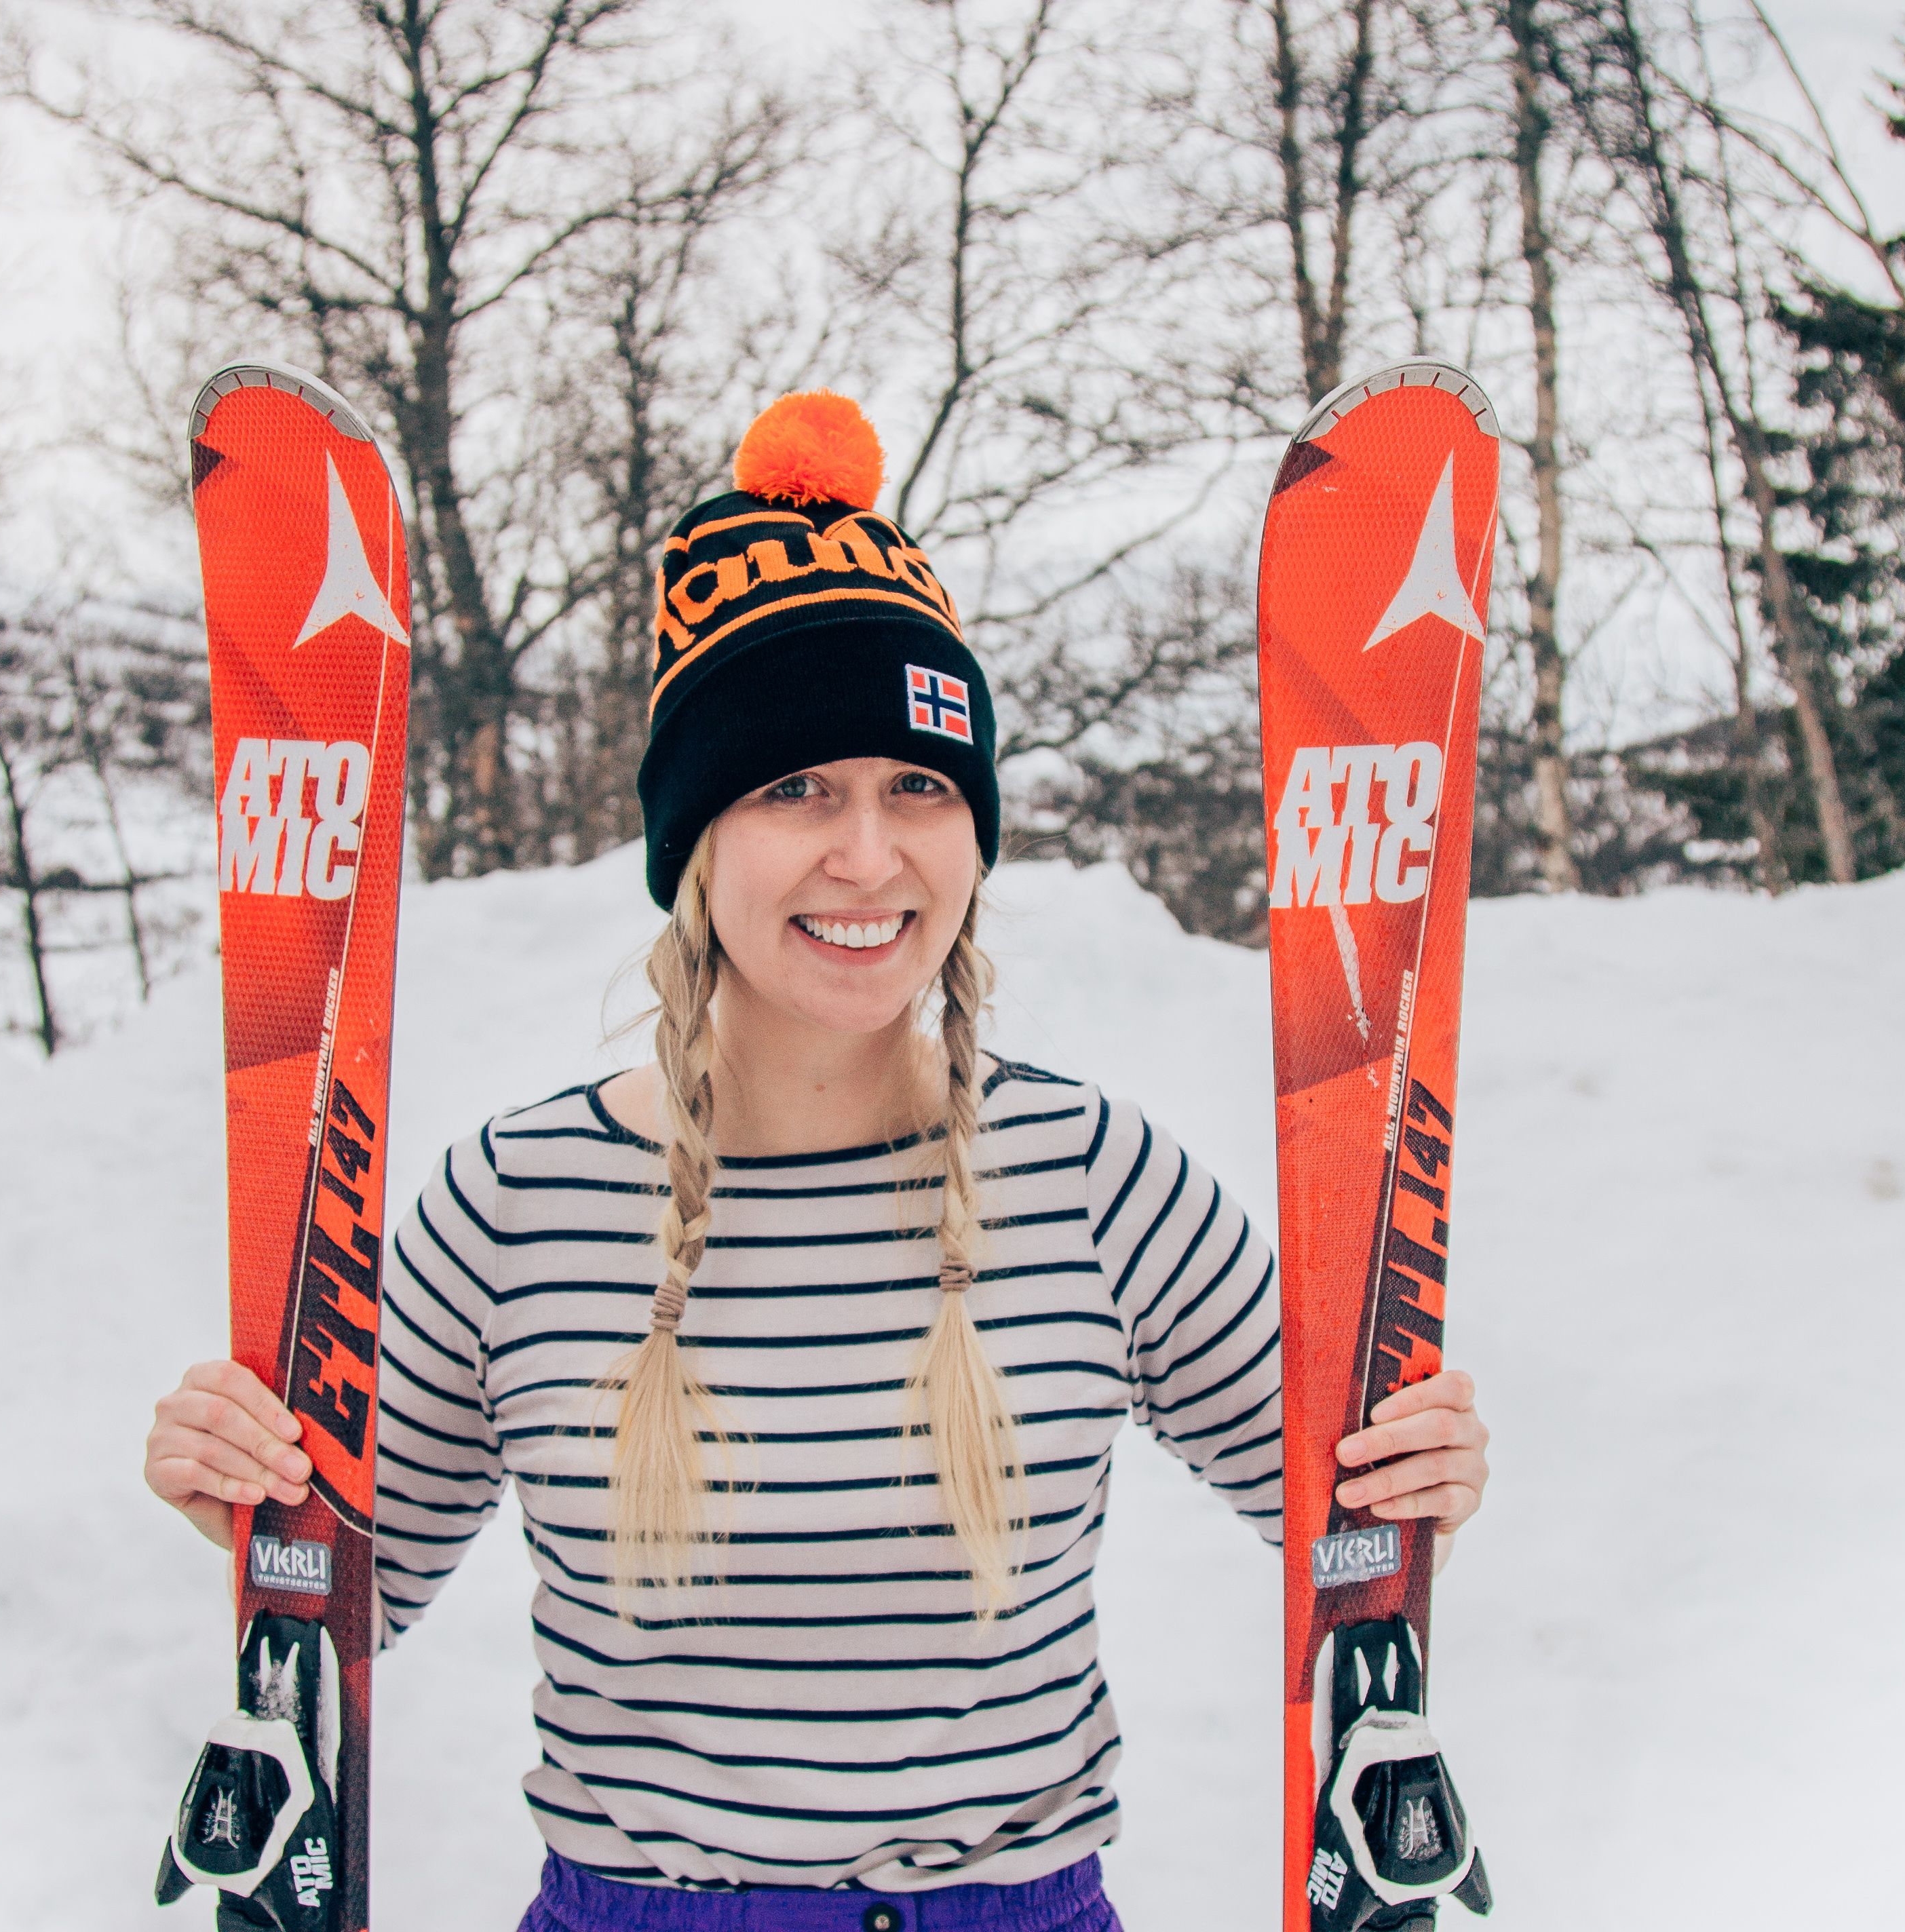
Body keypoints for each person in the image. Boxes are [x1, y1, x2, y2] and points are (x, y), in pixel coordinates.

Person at [146, 391, 1491, 1931]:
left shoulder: (1100, 1181)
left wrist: (1426, 1470)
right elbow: (350, 1595)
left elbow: (1342, 1527)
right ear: (695, 839)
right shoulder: (511, 1214)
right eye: (795, 789)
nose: (868, 854)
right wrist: (246, 1506)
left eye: (919, 785)